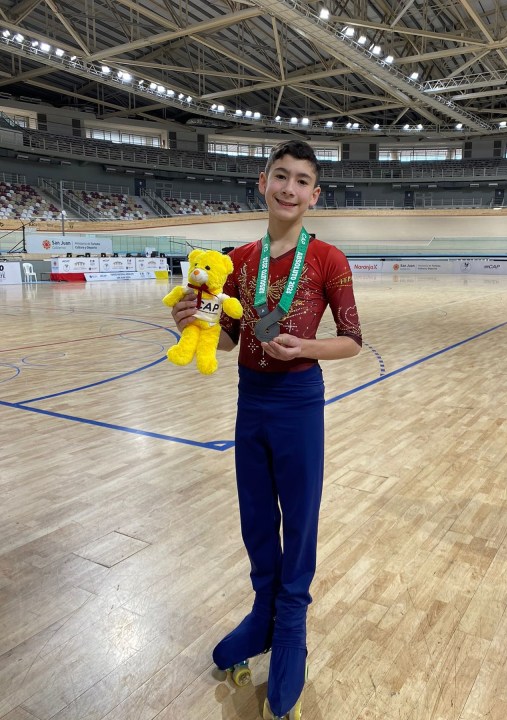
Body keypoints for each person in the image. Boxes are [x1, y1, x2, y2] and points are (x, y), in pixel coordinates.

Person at [171, 139, 362, 719]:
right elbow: (229, 338)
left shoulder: (328, 258)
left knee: (299, 520)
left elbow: (353, 340)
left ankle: (291, 626)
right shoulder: (237, 260)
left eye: (302, 180)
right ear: (263, 182)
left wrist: (305, 347)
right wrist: (190, 321)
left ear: (315, 194)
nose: (289, 188)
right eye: (281, 176)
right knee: (256, 516)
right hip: (249, 399)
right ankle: (263, 613)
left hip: (299, 401)